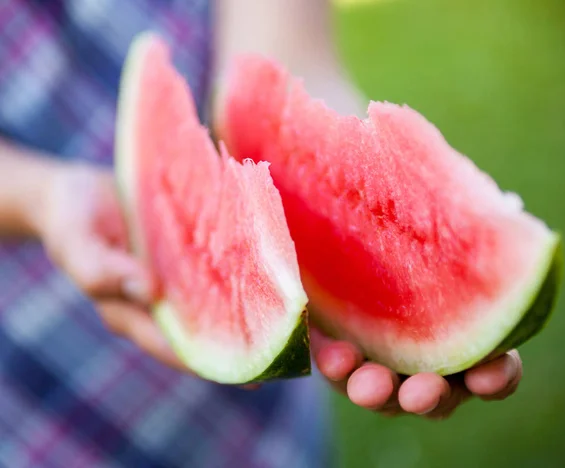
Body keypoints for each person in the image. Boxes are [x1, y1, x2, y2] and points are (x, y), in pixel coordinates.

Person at [0, 1, 523, 466]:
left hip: (275, 365)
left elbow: (280, 72)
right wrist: (39, 196)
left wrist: (367, 195)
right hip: (34, 384)